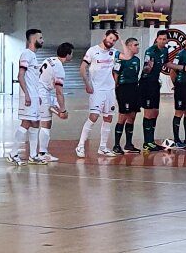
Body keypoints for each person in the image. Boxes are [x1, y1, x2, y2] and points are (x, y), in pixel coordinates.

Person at [76, 29, 120, 158]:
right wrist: (87, 83)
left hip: (109, 90)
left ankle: (103, 147)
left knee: (108, 118)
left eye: (114, 40)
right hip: (97, 90)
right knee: (94, 116)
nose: (111, 41)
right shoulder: (92, 50)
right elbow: (83, 68)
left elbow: (127, 56)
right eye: (110, 38)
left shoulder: (114, 52)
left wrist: (121, 40)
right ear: (105, 36)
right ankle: (80, 145)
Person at [32, 43, 73, 163]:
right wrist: (63, 110)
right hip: (42, 94)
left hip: (39, 91)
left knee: (42, 120)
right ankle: (42, 153)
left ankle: (39, 152)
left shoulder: (50, 59)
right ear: (68, 54)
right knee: (45, 123)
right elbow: (59, 92)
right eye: (72, 53)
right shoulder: (59, 68)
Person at [9, 28, 43, 165]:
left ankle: (33, 155)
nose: (42, 40)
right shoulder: (26, 54)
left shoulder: (33, 56)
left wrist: (37, 95)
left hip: (34, 96)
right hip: (28, 96)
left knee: (35, 123)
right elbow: (20, 76)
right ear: (33, 39)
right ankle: (13, 153)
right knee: (26, 123)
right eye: (40, 38)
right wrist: (27, 95)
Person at [139, 30, 171, 152]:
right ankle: (147, 142)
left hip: (155, 84)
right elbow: (146, 69)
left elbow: (167, 63)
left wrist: (183, 68)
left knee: (155, 112)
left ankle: (151, 140)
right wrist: (149, 67)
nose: (162, 41)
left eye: (164, 39)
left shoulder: (165, 50)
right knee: (148, 113)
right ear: (156, 39)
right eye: (160, 39)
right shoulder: (150, 51)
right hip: (146, 83)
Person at [112, 37, 142, 154]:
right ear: (128, 46)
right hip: (124, 89)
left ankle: (129, 144)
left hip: (134, 88)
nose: (137, 47)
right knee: (123, 116)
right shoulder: (120, 60)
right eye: (135, 45)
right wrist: (114, 90)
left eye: (138, 45)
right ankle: (116, 145)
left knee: (132, 116)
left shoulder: (137, 60)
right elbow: (115, 75)